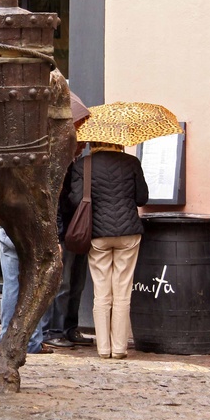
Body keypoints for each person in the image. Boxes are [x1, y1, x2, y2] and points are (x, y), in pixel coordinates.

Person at [63, 141, 149, 359]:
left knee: (101, 292)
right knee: (122, 291)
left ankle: (103, 349)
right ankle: (119, 348)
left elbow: (74, 200)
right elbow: (142, 199)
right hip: (128, 233)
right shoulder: (131, 162)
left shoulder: (84, 165)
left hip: (98, 235)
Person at [44, 91, 93, 350]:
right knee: (62, 284)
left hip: (79, 230)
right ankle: (55, 329)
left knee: (77, 282)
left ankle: (70, 327)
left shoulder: (77, 165)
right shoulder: (59, 163)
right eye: (78, 139)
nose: (82, 143)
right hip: (65, 231)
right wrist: (57, 235)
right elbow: (59, 203)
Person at [0, 226, 51, 354]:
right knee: (34, 286)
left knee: (11, 286)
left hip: (9, 228)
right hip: (32, 229)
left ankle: (5, 338)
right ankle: (32, 341)